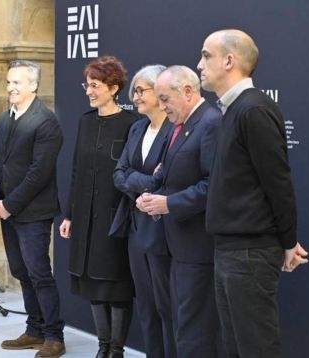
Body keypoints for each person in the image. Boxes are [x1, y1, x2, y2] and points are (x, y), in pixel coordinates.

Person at [197, 29, 309, 358]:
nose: (199, 65)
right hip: (233, 249)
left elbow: (278, 183)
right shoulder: (234, 109)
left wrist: (288, 241)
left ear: (229, 60)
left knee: (255, 347)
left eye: (206, 55)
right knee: (235, 346)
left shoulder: (253, 110)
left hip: (249, 253)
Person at [136, 65, 222, 357]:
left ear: (187, 91)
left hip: (198, 247)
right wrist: (153, 197)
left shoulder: (210, 123)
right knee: (182, 325)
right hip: (177, 245)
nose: (161, 106)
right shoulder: (181, 125)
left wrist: (168, 204)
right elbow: (170, 174)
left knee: (194, 331)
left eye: (164, 99)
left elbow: (214, 186)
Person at [59, 55, 139, 358]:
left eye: (94, 85)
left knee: (116, 286)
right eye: (87, 85)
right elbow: (77, 171)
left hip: (115, 219)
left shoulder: (132, 123)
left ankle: (115, 350)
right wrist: (70, 215)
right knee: (92, 284)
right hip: (85, 218)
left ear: (113, 87)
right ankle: (102, 347)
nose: (88, 91)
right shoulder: (85, 121)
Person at [0, 60, 65, 358]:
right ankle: (34, 329)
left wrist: (8, 204)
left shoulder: (46, 121)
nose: (10, 88)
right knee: (21, 271)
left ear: (33, 85)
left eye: (17, 83)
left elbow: (38, 173)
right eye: (8, 82)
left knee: (39, 272)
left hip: (33, 212)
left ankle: (54, 336)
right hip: (7, 210)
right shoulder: (5, 119)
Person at [112, 64, 176, 358]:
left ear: (160, 92)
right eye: (134, 91)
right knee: (146, 307)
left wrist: (141, 181)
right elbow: (119, 174)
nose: (134, 97)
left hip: (163, 231)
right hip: (135, 229)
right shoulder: (137, 128)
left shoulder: (175, 130)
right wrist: (148, 181)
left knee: (167, 307)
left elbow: (170, 178)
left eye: (140, 90)